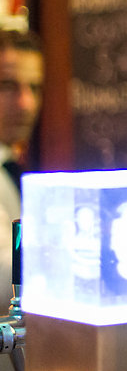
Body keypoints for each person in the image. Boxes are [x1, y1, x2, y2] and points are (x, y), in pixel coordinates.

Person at [0, 29, 43, 307]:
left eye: (34, 88)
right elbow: (4, 278)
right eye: (7, 85)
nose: (26, 103)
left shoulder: (11, 164)